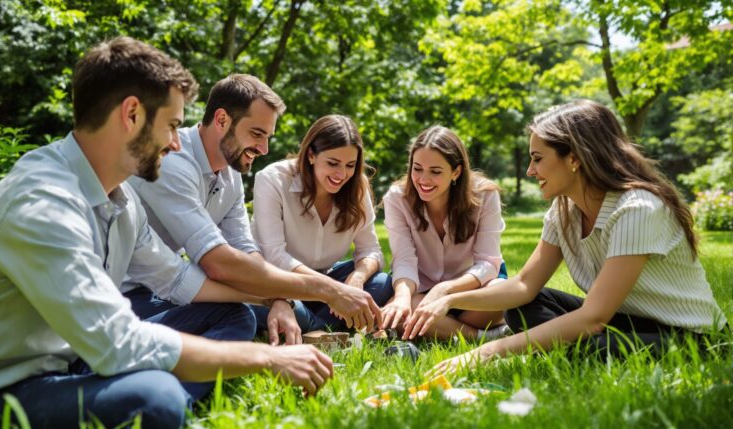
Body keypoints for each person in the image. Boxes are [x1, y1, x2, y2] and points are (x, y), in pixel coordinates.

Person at [0, 37, 332, 429]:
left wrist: (280, 296)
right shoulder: (43, 200)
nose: (176, 142)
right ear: (132, 114)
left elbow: (175, 277)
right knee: (155, 398)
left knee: (228, 318)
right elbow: (116, 339)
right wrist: (268, 358)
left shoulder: (123, 201)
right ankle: (170, 407)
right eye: (172, 125)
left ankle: (169, 405)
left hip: (75, 361)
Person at [420, 100, 727, 376]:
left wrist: (486, 352)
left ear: (574, 159)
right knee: (523, 307)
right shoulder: (564, 210)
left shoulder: (638, 209)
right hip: (624, 321)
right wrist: (449, 299)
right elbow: (525, 285)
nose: (529, 170)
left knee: (592, 345)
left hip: (690, 337)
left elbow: (594, 316)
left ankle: (568, 351)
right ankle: (567, 349)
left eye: (538, 159)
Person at [129, 77, 382, 344]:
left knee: (240, 316)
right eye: (257, 134)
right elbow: (218, 263)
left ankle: (309, 327)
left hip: (167, 287)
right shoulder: (173, 161)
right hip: (131, 295)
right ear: (222, 120)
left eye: (267, 137)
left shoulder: (230, 175)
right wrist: (329, 291)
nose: (264, 149)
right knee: (237, 318)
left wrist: (277, 299)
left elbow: (246, 251)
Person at [251, 115, 394, 333]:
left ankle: (312, 326)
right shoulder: (272, 179)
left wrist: (356, 280)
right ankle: (327, 326)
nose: (342, 174)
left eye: (350, 165)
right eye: (333, 163)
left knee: (381, 283)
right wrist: (336, 292)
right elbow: (275, 257)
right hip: (278, 283)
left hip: (325, 278)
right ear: (311, 155)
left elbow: (371, 251)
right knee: (269, 306)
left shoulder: (357, 187)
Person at [380, 126, 508, 341]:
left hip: (473, 286)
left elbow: (488, 263)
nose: (423, 179)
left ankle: (443, 329)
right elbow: (403, 259)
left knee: (503, 294)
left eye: (435, 171)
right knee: (402, 313)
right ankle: (481, 336)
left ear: (456, 172)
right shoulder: (396, 198)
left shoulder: (485, 195)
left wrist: (445, 290)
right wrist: (402, 298)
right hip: (421, 291)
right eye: (417, 168)